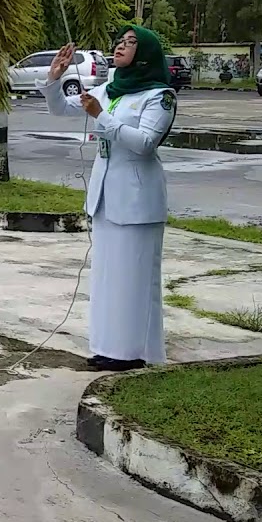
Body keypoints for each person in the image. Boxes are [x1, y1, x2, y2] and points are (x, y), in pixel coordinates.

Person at [39, 26, 177, 372]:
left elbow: (145, 143)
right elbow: (62, 110)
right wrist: (53, 79)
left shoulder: (159, 96)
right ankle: (108, 347)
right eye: (121, 41)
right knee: (107, 277)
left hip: (136, 197)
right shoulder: (110, 88)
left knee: (133, 278)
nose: (121, 46)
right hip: (104, 194)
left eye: (131, 43)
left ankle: (132, 352)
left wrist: (102, 115)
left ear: (145, 54)